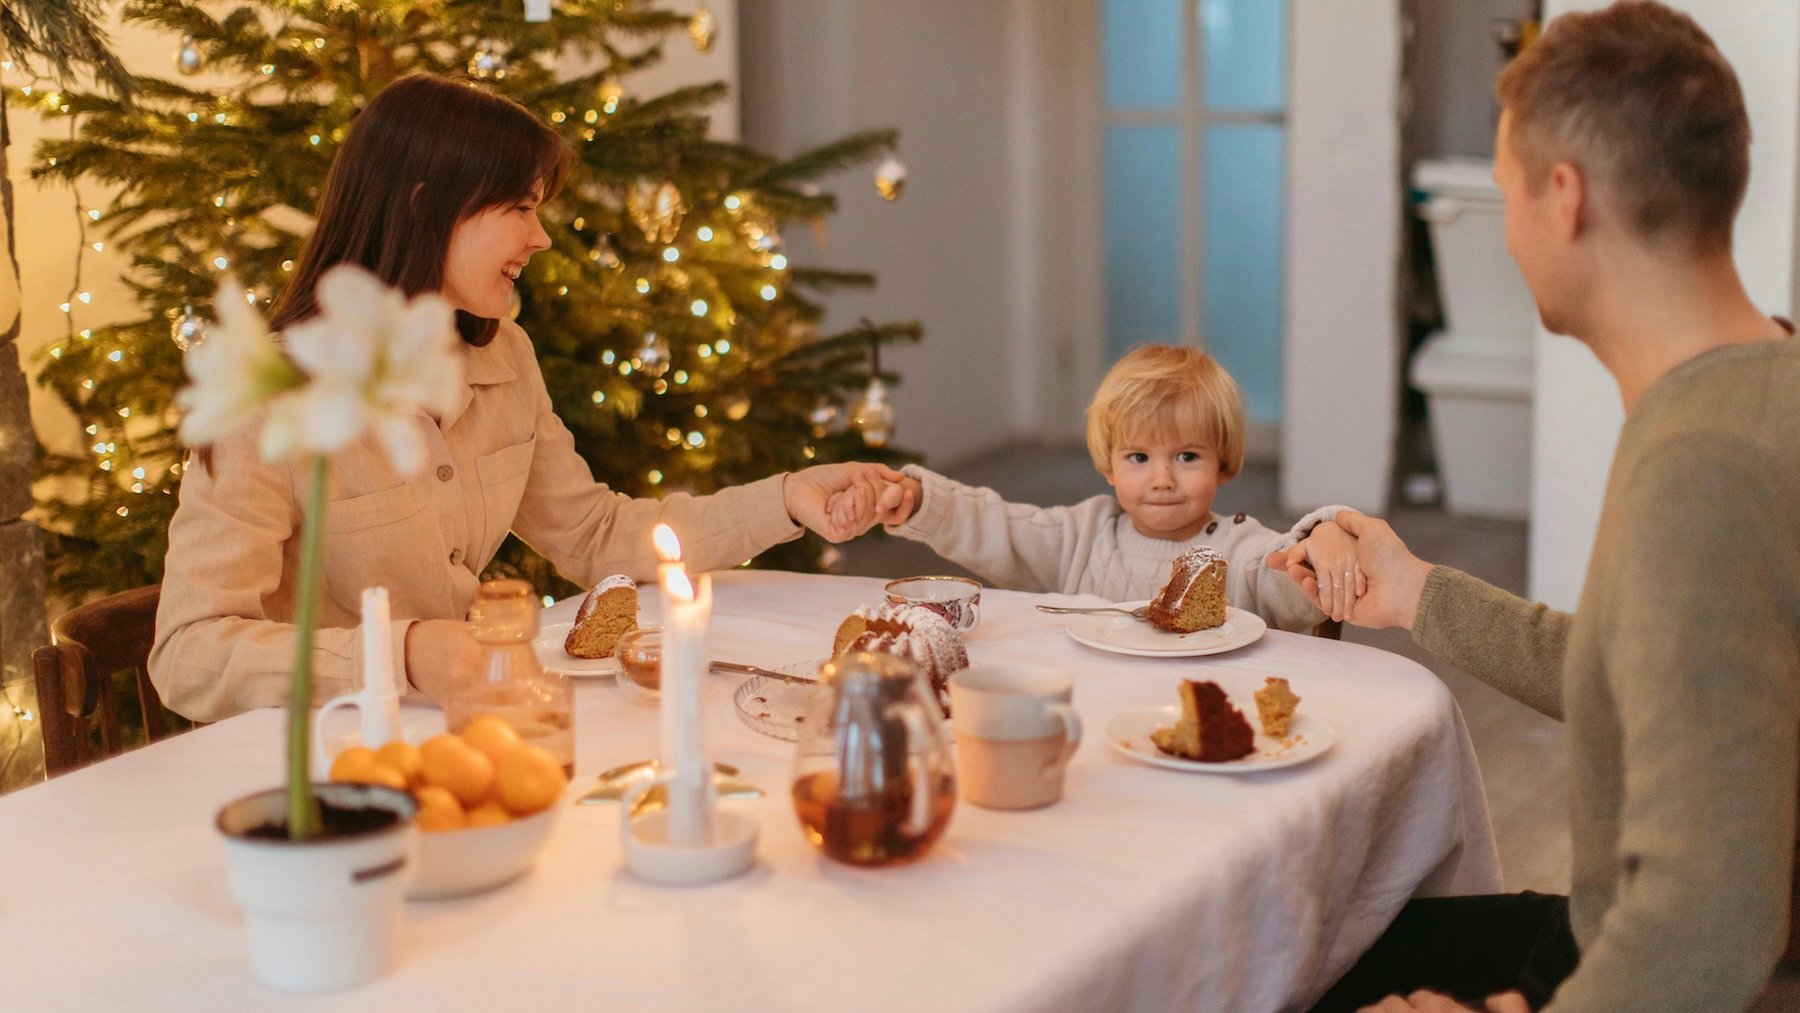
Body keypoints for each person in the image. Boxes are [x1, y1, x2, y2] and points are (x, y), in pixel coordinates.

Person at [1272, 4, 1800, 1009]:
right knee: (1328, 928)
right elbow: (1648, 669)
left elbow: (1710, 920)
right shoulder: (1758, 380)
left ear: (1564, 199)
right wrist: (1415, 590)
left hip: (1661, 962)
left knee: (1295, 963)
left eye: (1509, 186)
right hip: (1630, 933)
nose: (1510, 227)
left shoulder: (1706, 468)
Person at [150, 74, 898, 723]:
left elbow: (599, 534)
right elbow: (188, 652)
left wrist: (788, 499)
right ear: (424, 206)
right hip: (321, 784)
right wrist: (400, 653)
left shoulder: (504, 358)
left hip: (458, 742)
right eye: (518, 206)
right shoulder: (277, 397)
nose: (540, 238)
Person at [845, 344, 1362, 632]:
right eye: (1138, 457)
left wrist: (1323, 540)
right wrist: (923, 501)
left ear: (1224, 463)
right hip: (1087, 708)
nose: (1161, 478)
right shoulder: (1080, 535)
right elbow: (996, 526)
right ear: (1108, 467)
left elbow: (1292, 580)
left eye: (1187, 456)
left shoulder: (1242, 552)